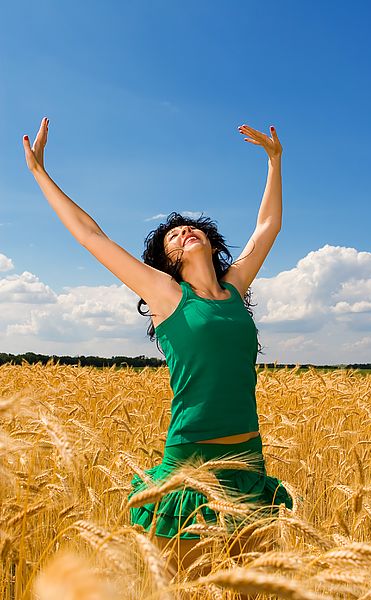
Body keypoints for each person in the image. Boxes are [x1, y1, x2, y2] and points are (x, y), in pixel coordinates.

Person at [22, 118, 292, 575]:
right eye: (174, 235)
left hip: (249, 456)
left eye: (192, 229)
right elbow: (91, 236)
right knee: (182, 583)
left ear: (211, 242)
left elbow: (268, 226)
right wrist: (39, 172)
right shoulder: (166, 296)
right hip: (191, 459)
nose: (185, 233)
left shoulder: (234, 289)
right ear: (167, 260)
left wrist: (274, 160)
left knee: (254, 584)